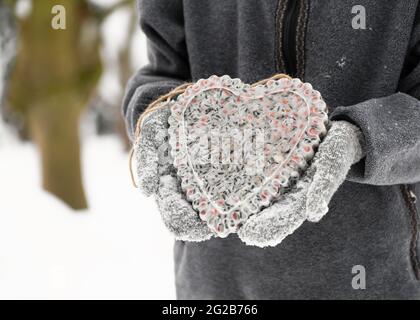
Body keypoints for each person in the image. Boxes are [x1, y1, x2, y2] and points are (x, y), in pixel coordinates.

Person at [123, 0, 420, 299]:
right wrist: (157, 111)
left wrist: (364, 136)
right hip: (215, 282)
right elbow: (164, 68)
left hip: (377, 278)